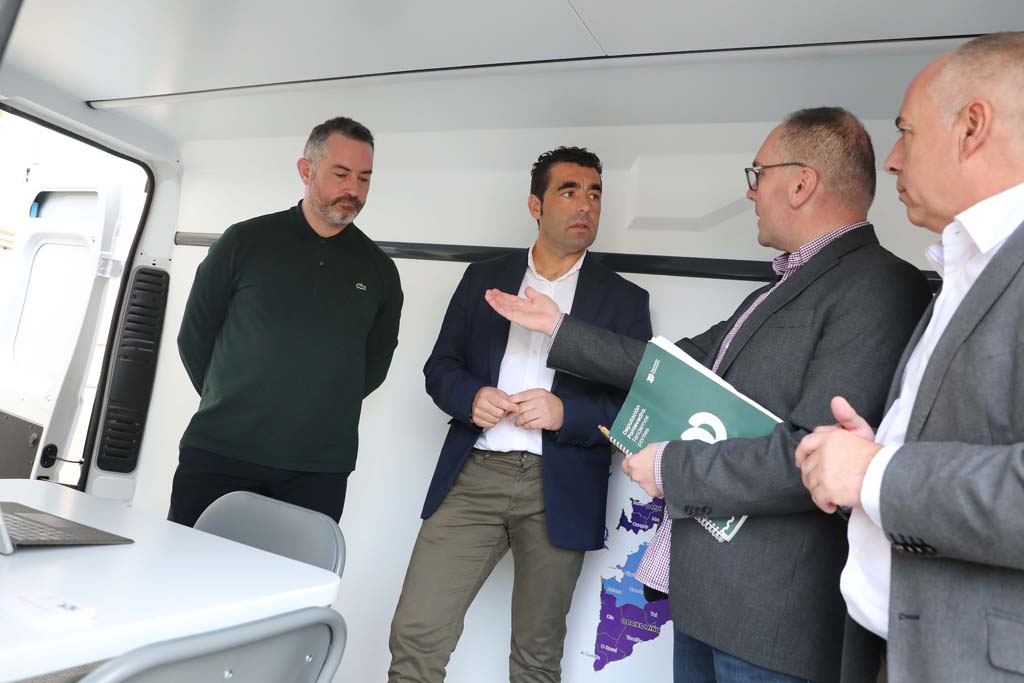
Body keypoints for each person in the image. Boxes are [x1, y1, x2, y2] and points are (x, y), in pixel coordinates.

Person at [486, 109, 933, 683]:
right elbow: (675, 366)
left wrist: (670, 467)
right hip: (710, 601)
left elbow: (816, 456)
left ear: (801, 184)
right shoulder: (786, 283)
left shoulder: (879, 284)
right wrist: (558, 328)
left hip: (774, 625)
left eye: (758, 174)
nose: (751, 192)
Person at [795, 33, 1024, 682]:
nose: (892, 160)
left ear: (972, 127)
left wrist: (875, 472)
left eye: (905, 132)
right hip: (893, 640)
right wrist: (878, 448)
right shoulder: (964, 264)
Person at [387, 146, 652, 683]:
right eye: (569, 191)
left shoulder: (625, 300)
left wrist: (565, 412)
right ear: (536, 205)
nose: (585, 205)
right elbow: (441, 367)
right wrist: (471, 397)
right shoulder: (483, 277)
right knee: (416, 635)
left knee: (536, 657)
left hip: (562, 484)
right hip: (475, 474)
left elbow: (637, 408)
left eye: (595, 193)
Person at [169, 116, 403, 526]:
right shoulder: (244, 242)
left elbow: (373, 367)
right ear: (306, 170)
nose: (354, 190)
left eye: (364, 178)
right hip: (220, 451)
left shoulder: (380, 271)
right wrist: (235, 398)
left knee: (297, 571)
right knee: (186, 564)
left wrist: (315, 407)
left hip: (317, 469)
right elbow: (194, 336)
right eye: (341, 174)